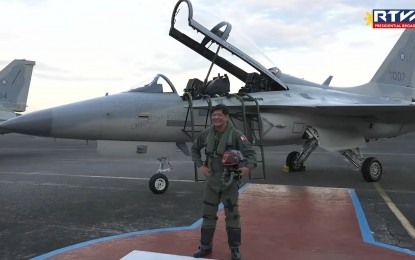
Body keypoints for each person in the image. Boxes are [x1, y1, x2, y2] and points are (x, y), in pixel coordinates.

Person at [191, 104, 257, 260]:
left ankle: (234, 249)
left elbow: (252, 154)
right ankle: (205, 247)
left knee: (232, 215)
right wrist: (201, 165)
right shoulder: (206, 133)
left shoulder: (236, 135)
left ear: (226, 117)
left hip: (229, 180)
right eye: (214, 115)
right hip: (211, 181)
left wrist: (247, 168)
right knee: (207, 214)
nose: (216, 118)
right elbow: (194, 149)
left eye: (219, 115)